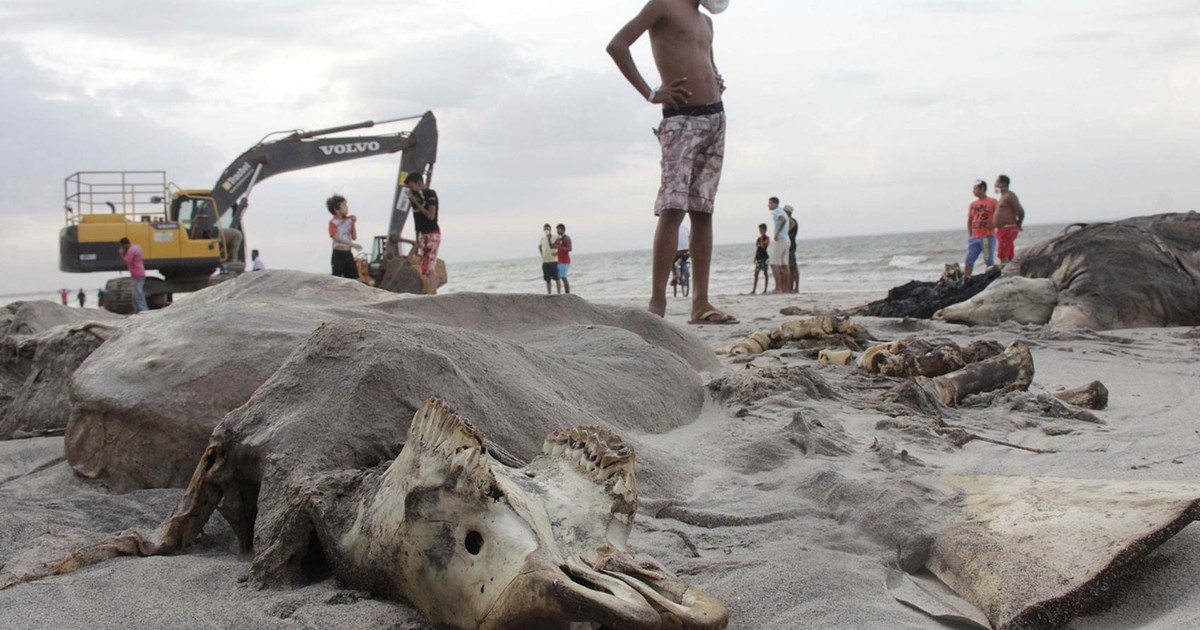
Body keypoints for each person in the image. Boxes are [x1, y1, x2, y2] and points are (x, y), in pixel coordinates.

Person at [608, 0, 737, 325]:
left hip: (715, 118)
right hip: (680, 120)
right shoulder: (662, 5)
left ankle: (701, 304)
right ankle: (657, 305)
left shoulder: (707, 22)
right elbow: (617, 45)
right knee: (673, 209)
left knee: (703, 211)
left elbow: (704, 60)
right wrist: (651, 93)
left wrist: (714, 79)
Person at [406, 173, 441, 295]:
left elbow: (431, 216)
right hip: (423, 234)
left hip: (432, 232)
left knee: (430, 265)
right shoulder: (415, 198)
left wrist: (416, 203)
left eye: (412, 187)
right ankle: (431, 292)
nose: (411, 190)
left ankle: (432, 293)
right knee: (424, 266)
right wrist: (417, 240)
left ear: (419, 183)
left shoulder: (430, 194)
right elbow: (417, 219)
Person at [964, 179, 997, 277]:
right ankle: (966, 279)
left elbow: (1000, 214)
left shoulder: (992, 202)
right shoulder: (973, 204)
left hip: (987, 237)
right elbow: (970, 220)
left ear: (982, 189)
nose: (973, 191)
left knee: (988, 260)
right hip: (975, 237)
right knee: (969, 260)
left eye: (975, 189)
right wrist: (970, 235)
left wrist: (994, 224)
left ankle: (991, 278)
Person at [326, 194, 361, 279]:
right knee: (337, 277)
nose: (347, 207)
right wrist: (352, 244)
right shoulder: (333, 222)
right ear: (337, 209)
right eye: (344, 205)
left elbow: (354, 237)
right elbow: (336, 237)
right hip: (338, 253)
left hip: (348, 253)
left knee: (353, 277)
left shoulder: (348, 220)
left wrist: (353, 223)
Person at [994, 174, 1026, 264]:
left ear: (1003, 184)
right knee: (1009, 254)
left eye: (997, 182)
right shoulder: (1002, 197)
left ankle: (1004, 272)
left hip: (1008, 229)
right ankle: (1011, 272)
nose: (995, 184)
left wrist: (1019, 223)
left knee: (1002, 254)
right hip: (1002, 230)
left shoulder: (1010, 196)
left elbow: (1020, 211)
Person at [118, 237, 149, 313]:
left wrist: (122, 254)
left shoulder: (131, 250)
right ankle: (138, 309)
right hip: (140, 271)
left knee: (137, 293)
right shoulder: (137, 247)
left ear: (124, 245)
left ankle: (142, 308)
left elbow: (127, 260)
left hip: (136, 273)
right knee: (137, 292)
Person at [768, 197, 792, 294]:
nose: (768, 205)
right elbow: (790, 222)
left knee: (773, 263)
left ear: (774, 203)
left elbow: (784, 221)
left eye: (770, 203)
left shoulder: (777, 212)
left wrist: (778, 232)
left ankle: (778, 288)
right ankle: (786, 288)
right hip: (787, 240)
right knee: (785, 265)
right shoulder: (783, 212)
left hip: (781, 240)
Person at [538, 224, 561, 295]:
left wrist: (557, 253)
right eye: (545, 229)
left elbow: (560, 247)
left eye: (547, 229)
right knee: (547, 279)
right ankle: (549, 293)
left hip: (553, 261)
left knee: (557, 278)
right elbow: (539, 246)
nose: (546, 230)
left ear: (550, 229)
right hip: (545, 261)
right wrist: (542, 255)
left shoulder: (555, 237)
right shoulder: (542, 239)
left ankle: (559, 293)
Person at [671, 218, 691, 292]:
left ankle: (674, 275)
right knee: (684, 259)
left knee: (671, 261)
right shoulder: (685, 228)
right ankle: (685, 275)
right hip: (686, 251)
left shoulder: (672, 228)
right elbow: (690, 239)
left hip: (676, 252)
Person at [553, 224, 573, 294]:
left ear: (563, 230)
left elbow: (570, 249)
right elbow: (554, 245)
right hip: (559, 260)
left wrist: (560, 247)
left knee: (563, 277)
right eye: (557, 229)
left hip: (565, 260)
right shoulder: (559, 239)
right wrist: (556, 251)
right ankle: (559, 293)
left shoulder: (566, 238)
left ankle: (567, 293)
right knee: (558, 277)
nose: (558, 231)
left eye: (559, 229)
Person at [751, 223, 770, 294]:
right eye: (760, 229)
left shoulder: (766, 238)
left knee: (765, 272)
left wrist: (762, 238)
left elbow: (763, 247)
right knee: (756, 273)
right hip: (759, 257)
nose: (760, 231)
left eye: (762, 229)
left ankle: (765, 289)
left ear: (765, 230)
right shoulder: (758, 239)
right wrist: (755, 258)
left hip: (764, 257)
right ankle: (754, 290)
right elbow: (758, 248)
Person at [785, 204, 799, 293]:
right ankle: (791, 287)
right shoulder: (789, 221)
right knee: (791, 266)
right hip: (790, 245)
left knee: (792, 266)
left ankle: (794, 287)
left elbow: (791, 227)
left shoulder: (792, 221)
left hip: (791, 245)